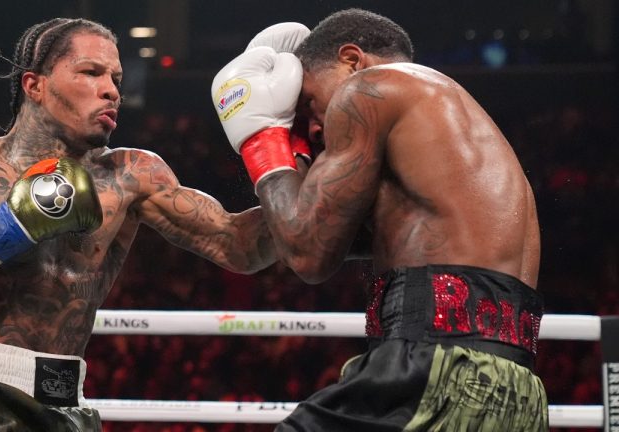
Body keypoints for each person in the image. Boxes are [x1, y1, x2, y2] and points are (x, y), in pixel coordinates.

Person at [0, 18, 276, 431]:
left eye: (115, 77)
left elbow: (240, 246)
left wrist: (288, 158)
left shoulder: (130, 175)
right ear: (34, 85)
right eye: (90, 72)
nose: (111, 90)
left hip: (67, 405)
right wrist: (11, 226)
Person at [212, 9, 547, 431]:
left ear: (352, 60)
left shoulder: (370, 89)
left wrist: (265, 138)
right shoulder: (445, 129)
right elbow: (295, 234)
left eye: (309, 106)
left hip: (432, 367)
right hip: (513, 387)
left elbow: (307, 252)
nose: (313, 129)